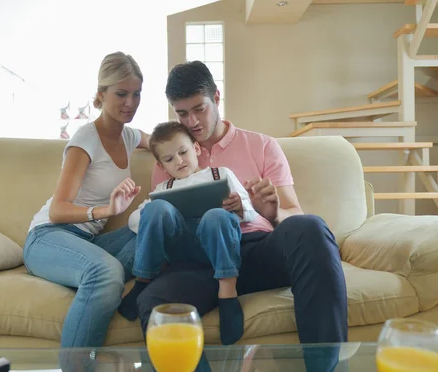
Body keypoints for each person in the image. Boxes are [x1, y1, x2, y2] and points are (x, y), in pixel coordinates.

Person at [136, 61, 348, 350]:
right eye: (182, 113)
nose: (193, 122)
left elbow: (294, 215)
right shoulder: (169, 158)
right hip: (200, 263)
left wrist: (271, 213)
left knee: (310, 227)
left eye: (200, 108)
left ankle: (325, 365)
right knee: (153, 302)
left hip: (256, 251)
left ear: (217, 98)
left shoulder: (262, 145)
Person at [23, 51, 149, 351]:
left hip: (88, 244)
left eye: (136, 94)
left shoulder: (129, 136)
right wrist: (107, 210)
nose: (130, 103)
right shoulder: (85, 139)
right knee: (105, 272)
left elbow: (161, 140)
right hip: (48, 237)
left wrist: (195, 143)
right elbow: (58, 209)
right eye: (121, 94)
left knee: (154, 228)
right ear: (101, 94)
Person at [118, 121, 258, 343]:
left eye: (183, 152)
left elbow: (250, 211)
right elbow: (135, 220)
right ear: (162, 167)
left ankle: (228, 293)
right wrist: (159, 213)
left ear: (196, 148)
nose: (179, 161)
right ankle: (142, 281)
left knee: (216, 215)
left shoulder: (220, 174)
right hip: (180, 250)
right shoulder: (164, 189)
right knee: (156, 208)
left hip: (215, 243)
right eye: (169, 159)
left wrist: (240, 207)